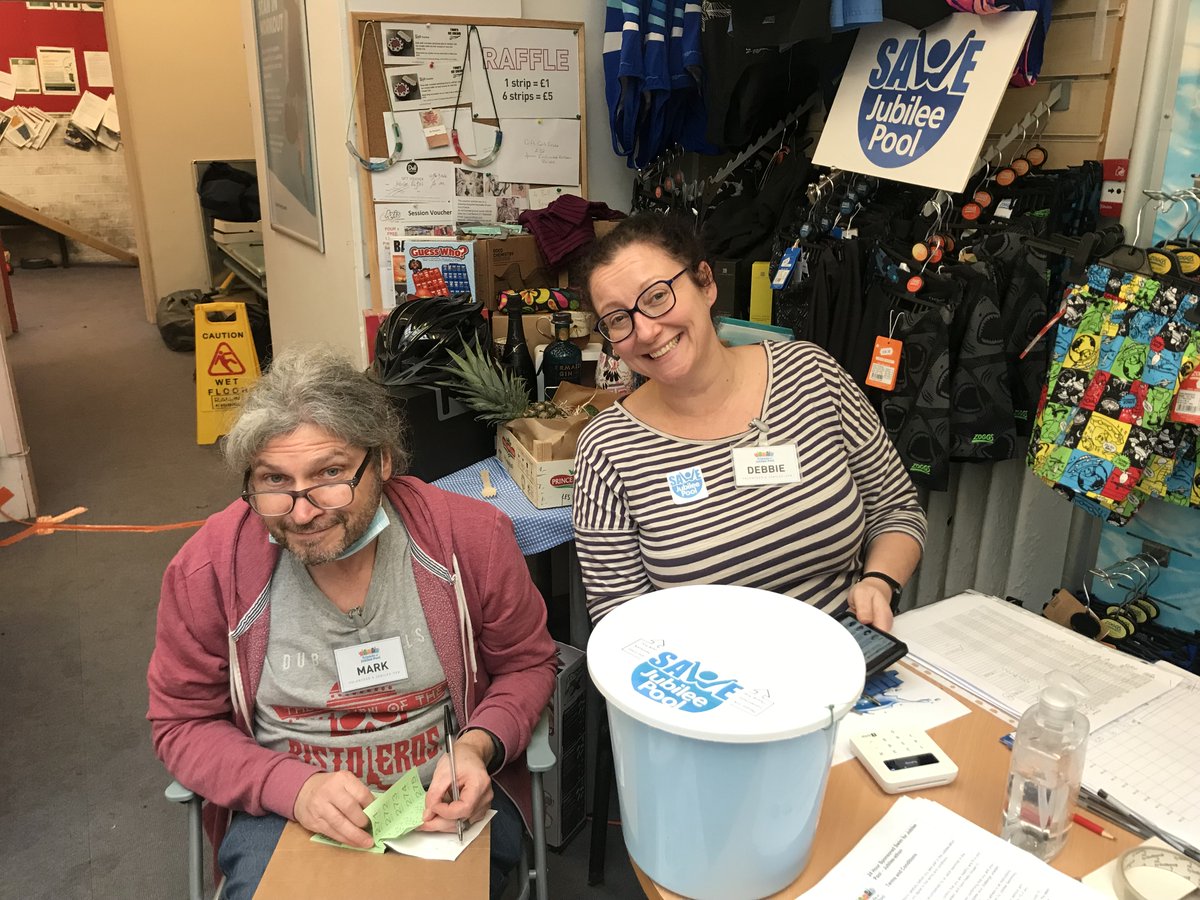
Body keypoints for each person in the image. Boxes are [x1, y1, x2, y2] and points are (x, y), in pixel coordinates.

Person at [147, 346, 557, 899]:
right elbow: (182, 722)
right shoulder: (209, 571)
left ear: (383, 461)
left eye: (331, 473)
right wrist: (291, 787)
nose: (302, 509)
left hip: (441, 796)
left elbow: (527, 664)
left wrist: (477, 746)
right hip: (286, 811)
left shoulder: (470, 538)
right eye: (274, 480)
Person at [573, 213, 927, 630]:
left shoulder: (811, 375)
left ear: (705, 282)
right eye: (618, 319)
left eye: (655, 296)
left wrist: (879, 583)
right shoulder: (607, 448)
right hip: (710, 685)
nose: (646, 331)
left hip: (848, 655)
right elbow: (619, 616)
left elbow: (896, 509)